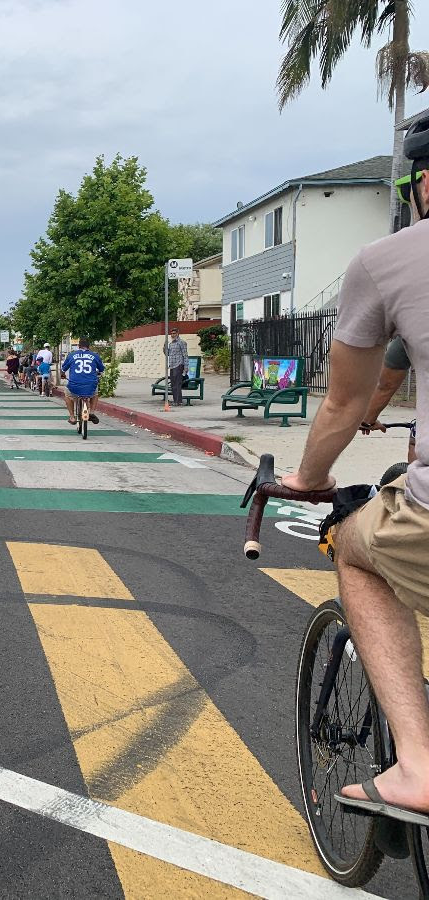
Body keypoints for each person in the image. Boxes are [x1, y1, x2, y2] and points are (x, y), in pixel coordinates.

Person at [280, 114, 429, 826]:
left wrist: (310, 478)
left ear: (423, 183)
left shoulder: (391, 259)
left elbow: (343, 402)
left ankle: (420, 768)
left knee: (359, 553)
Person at [360, 336, 416, 464]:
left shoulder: (415, 326)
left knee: (418, 444)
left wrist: (368, 421)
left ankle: (418, 482)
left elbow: (386, 385)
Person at [61, 339, 105, 425]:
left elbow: (63, 369)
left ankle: (72, 417)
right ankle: (91, 412)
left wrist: (62, 374)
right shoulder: (95, 356)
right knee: (95, 394)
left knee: (67, 395)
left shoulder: (71, 355)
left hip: (74, 385)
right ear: (89, 347)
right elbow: (101, 369)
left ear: (78, 346)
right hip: (90, 385)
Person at [165, 328, 188, 407]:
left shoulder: (182, 343)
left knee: (177, 384)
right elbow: (167, 354)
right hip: (172, 365)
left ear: (178, 333)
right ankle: (175, 401)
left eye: (174, 333)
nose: (172, 335)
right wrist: (164, 346)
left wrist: (186, 367)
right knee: (173, 384)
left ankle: (178, 401)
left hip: (179, 365)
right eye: (171, 333)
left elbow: (185, 355)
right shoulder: (171, 344)